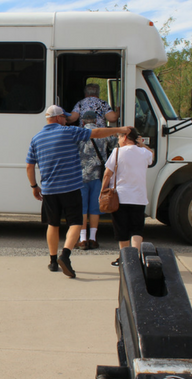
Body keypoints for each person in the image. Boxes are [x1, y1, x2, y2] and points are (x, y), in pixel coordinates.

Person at [26, 105, 130, 278]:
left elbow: (29, 166)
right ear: (58, 118)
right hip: (71, 187)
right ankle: (65, 255)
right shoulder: (69, 132)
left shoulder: (36, 139)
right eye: (65, 117)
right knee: (75, 223)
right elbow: (95, 133)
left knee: (53, 224)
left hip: (49, 189)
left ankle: (52, 261)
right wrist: (120, 129)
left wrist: (34, 186)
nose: (67, 120)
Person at [100, 127, 154, 266]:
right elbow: (152, 153)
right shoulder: (144, 153)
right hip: (139, 197)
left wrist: (103, 190)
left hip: (121, 196)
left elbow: (108, 174)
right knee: (136, 228)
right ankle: (135, 258)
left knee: (121, 228)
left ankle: (124, 258)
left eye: (119, 137)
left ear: (124, 137)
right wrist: (140, 144)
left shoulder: (117, 152)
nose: (118, 140)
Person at [77, 110, 118, 249]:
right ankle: (93, 238)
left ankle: (82, 239)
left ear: (83, 121)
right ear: (96, 121)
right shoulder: (104, 133)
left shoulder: (78, 134)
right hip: (98, 176)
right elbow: (116, 146)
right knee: (95, 208)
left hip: (80, 177)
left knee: (82, 209)